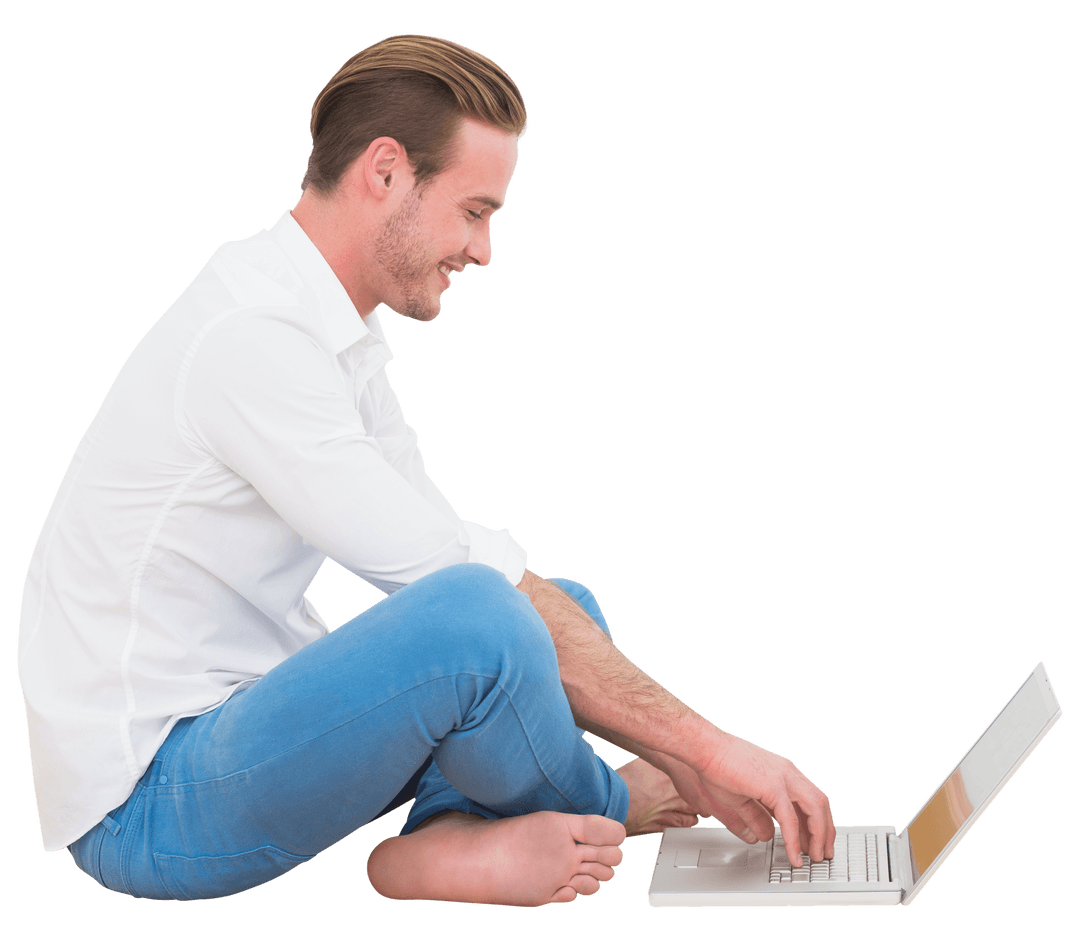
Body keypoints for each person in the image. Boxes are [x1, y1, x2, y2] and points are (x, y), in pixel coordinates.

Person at [17, 33, 834, 906]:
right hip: (151, 802)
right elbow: (455, 588)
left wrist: (682, 749)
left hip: (248, 738)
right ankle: (603, 801)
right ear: (385, 173)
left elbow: (450, 558)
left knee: (564, 609)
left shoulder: (337, 336)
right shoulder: (252, 337)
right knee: (493, 616)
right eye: (475, 211)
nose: (482, 250)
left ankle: (441, 839)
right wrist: (702, 753)